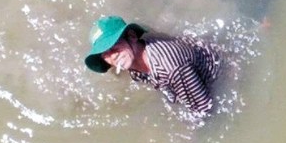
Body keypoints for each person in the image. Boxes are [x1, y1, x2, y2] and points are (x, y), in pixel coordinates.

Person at [84, 15, 221, 116]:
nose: (113, 56)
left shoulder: (173, 69)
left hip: (217, 72)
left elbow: (205, 109)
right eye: (105, 53)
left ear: (132, 36)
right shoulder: (136, 55)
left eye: (114, 46)